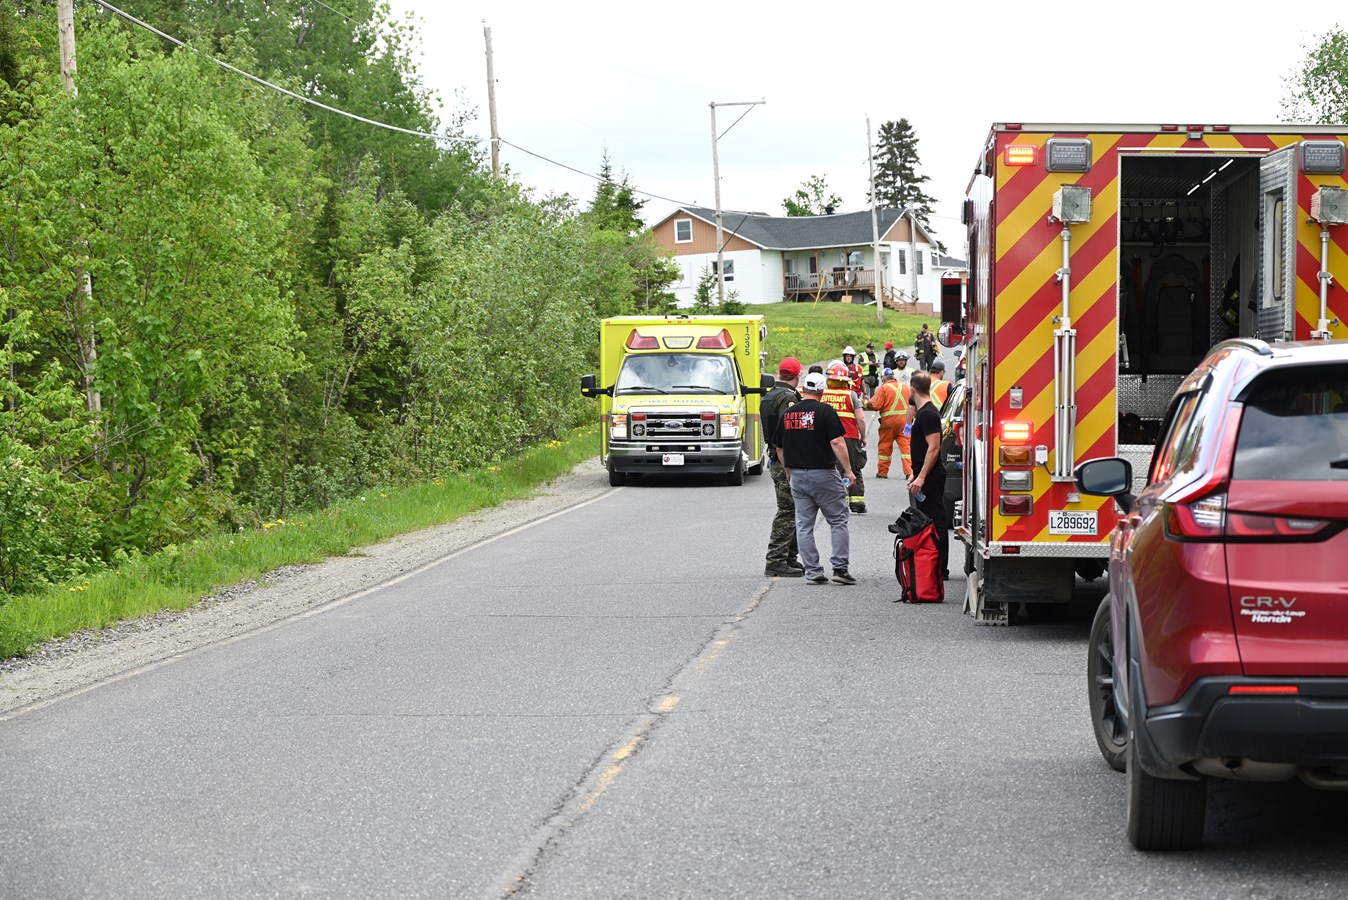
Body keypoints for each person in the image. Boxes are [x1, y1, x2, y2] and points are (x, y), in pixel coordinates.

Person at [775, 372, 857, 585]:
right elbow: (837, 442)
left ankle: (812, 572)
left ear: (803, 390)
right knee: (838, 520)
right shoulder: (825, 411)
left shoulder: (788, 413)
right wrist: (848, 470)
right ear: (821, 391)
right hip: (824, 474)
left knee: (803, 525)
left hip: (798, 476)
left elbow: (780, 446)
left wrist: (787, 469)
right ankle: (840, 569)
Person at [761, 358, 805, 577]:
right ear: (798, 376)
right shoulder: (787, 397)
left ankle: (789, 557)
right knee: (788, 510)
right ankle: (776, 560)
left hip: (776, 458)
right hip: (784, 460)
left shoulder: (769, 395)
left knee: (794, 509)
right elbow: (789, 431)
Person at [906, 371, 950, 580]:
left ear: (913, 389)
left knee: (936, 520)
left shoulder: (929, 414)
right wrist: (914, 474)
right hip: (924, 475)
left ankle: (940, 568)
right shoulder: (922, 413)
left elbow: (933, 448)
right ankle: (931, 563)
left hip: (931, 477)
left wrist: (922, 477)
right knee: (927, 519)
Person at [822, 362, 867, 513]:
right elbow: (860, 419)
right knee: (853, 469)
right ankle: (857, 503)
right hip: (849, 437)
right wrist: (863, 436)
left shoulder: (823, 394)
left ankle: (833, 503)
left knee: (830, 469)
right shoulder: (851, 395)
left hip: (826, 438)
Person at [865, 368, 912, 479]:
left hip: (888, 422)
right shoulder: (905, 387)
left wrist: (864, 403)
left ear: (883, 378)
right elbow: (912, 404)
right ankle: (909, 472)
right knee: (906, 447)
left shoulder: (883, 388)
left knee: (885, 446)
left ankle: (882, 472)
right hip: (905, 422)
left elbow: (875, 405)